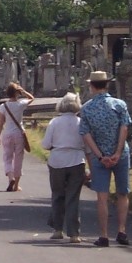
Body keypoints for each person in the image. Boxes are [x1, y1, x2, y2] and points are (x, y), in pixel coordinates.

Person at [78, 70, 132, 247]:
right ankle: (122, 231)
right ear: (107, 84)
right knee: (122, 193)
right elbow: (124, 129)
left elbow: (86, 135)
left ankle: (103, 235)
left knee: (102, 196)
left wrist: (100, 156)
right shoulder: (119, 104)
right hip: (121, 155)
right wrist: (117, 152)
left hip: (99, 156)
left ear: (91, 86)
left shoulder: (86, 108)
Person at [41, 93, 89, 243]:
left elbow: (46, 144)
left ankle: (57, 229)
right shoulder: (81, 122)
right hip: (76, 160)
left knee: (57, 195)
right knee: (73, 197)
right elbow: (87, 145)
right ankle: (74, 233)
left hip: (57, 161)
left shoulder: (54, 122)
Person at [0, 82, 34, 191]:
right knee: (18, 159)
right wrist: (23, 91)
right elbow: (32, 98)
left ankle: (10, 177)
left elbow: (1, 123)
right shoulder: (21, 104)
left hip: (7, 133)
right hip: (19, 133)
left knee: (7, 158)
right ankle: (16, 185)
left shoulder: (3, 106)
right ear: (17, 93)